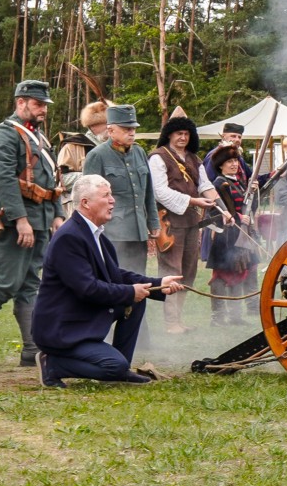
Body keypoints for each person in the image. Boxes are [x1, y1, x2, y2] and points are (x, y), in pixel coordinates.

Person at [32, 174, 185, 387]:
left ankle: (121, 368)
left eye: (111, 194)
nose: (112, 200)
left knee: (136, 300)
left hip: (81, 320)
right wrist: (131, 292)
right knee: (113, 365)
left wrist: (159, 284)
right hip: (63, 331)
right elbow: (87, 289)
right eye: (106, 195)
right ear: (85, 203)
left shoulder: (94, 234)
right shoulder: (69, 237)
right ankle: (53, 364)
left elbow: (115, 274)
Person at [0, 79, 64, 368]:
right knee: (5, 284)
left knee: (30, 284)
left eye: (44, 105)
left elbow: (51, 180)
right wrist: (21, 220)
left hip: (41, 219)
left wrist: (57, 214)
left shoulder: (38, 137)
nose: (42, 109)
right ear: (21, 103)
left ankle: (31, 348)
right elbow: (5, 181)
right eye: (37, 104)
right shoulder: (5, 135)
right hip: (17, 222)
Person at [149, 110, 227, 333]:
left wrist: (224, 210)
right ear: (169, 135)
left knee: (189, 272)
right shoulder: (158, 157)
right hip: (169, 223)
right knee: (171, 271)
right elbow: (160, 192)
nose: (183, 138)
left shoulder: (194, 158)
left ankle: (179, 320)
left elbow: (206, 186)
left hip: (192, 221)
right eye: (178, 133)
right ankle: (170, 322)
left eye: (186, 133)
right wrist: (194, 200)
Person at [82, 103, 160, 274]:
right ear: (110, 131)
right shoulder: (97, 156)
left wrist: (153, 221)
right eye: (126, 129)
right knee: (115, 282)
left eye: (133, 128)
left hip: (138, 230)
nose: (131, 132)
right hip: (112, 233)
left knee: (140, 280)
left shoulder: (139, 152)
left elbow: (148, 192)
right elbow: (87, 199)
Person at [204, 143, 255, 325]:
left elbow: (248, 207)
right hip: (225, 237)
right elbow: (214, 211)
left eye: (235, 161)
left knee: (238, 273)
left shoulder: (239, 183)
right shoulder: (218, 184)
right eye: (229, 161)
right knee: (220, 276)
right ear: (220, 165)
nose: (234, 164)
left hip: (239, 235)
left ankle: (235, 316)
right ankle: (217, 317)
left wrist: (253, 194)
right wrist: (238, 216)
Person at [55, 100, 110, 214]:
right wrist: (96, 177)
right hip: (80, 208)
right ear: (93, 125)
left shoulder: (115, 147)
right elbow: (61, 179)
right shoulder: (73, 146)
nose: (109, 127)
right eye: (106, 123)